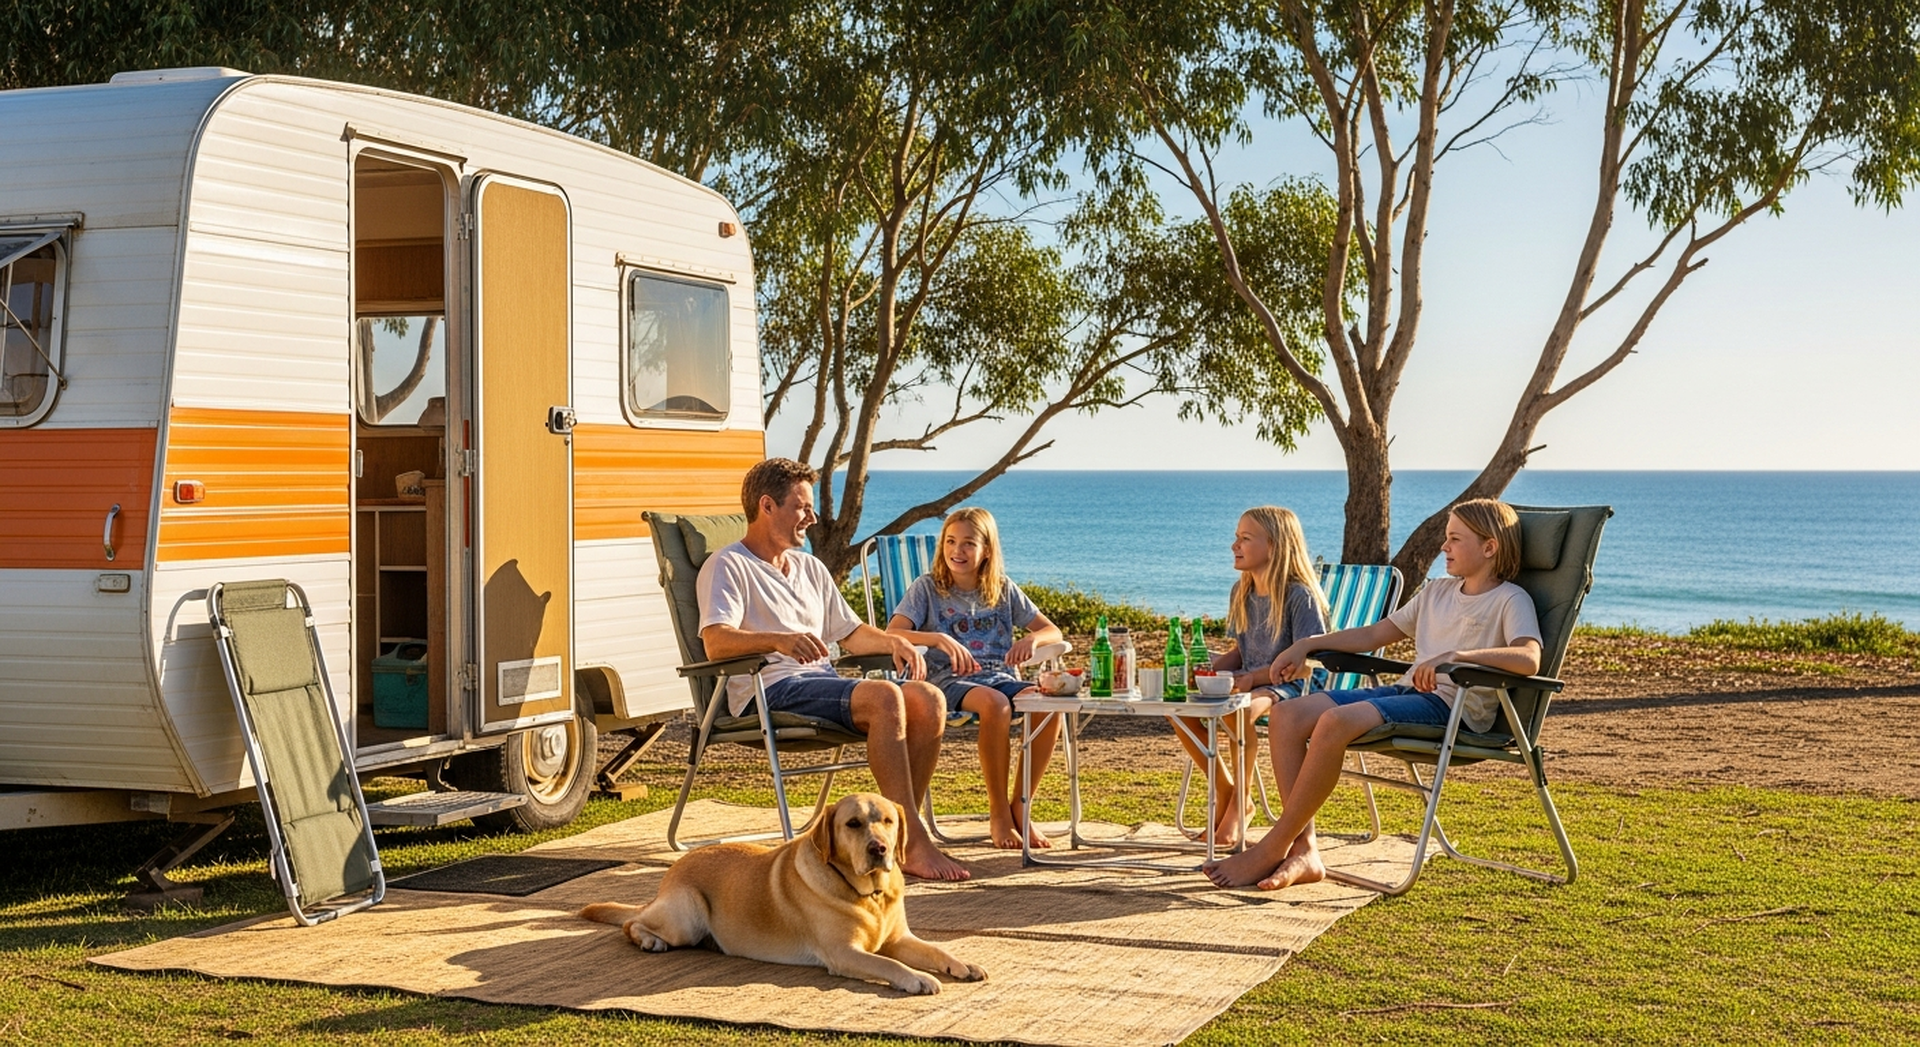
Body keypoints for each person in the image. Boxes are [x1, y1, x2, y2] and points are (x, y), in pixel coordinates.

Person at [1203, 498, 1542, 890]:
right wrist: (1307, 645)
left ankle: (1273, 846)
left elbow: (1529, 657)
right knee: (1288, 714)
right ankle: (1305, 848)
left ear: (1489, 547)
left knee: (1334, 721)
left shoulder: (1510, 599)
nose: (1443, 547)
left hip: (1453, 707)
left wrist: (1458, 656)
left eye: (1454, 539)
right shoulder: (1436, 593)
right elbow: (1373, 635)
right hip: (1408, 692)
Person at [697, 458, 968, 881]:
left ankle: (889, 838)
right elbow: (715, 641)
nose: (813, 517)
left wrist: (894, 641)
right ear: (767, 507)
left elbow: (852, 634)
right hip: (769, 689)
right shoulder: (729, 565)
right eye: (802, 507)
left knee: (929, 699)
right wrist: (777, 640)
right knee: (884, 696)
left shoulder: (809, 568)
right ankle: (913, 844)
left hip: (820, 683)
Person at [886, 508, 1066, 849]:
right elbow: (894, 632)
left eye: (969, 543)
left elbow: (1050, 630)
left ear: (987, 550)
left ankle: (1021, 807)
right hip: (945, 681)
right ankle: (998, 813)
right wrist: (937, 639)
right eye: (951, 542)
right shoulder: (926, 588)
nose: (958, 551)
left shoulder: (1001, 589)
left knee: (1047, 701)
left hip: (999, 677)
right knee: (995, 704)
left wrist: (1031, 639)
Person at [1171, 506, 1328, 849]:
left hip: (1292, 687)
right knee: (1178, 709)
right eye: (1236, 537)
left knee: (1238, 711)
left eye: (1245, 538)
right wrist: (1213, 671)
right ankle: (1228, 793)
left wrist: (1252, 680)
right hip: (1250, 682)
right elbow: (1242, 650)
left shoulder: (1298, 595)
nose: (1234, 545)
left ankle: (1239, 804)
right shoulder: (1241, 592)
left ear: (1274, 546)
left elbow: (1309, 660)